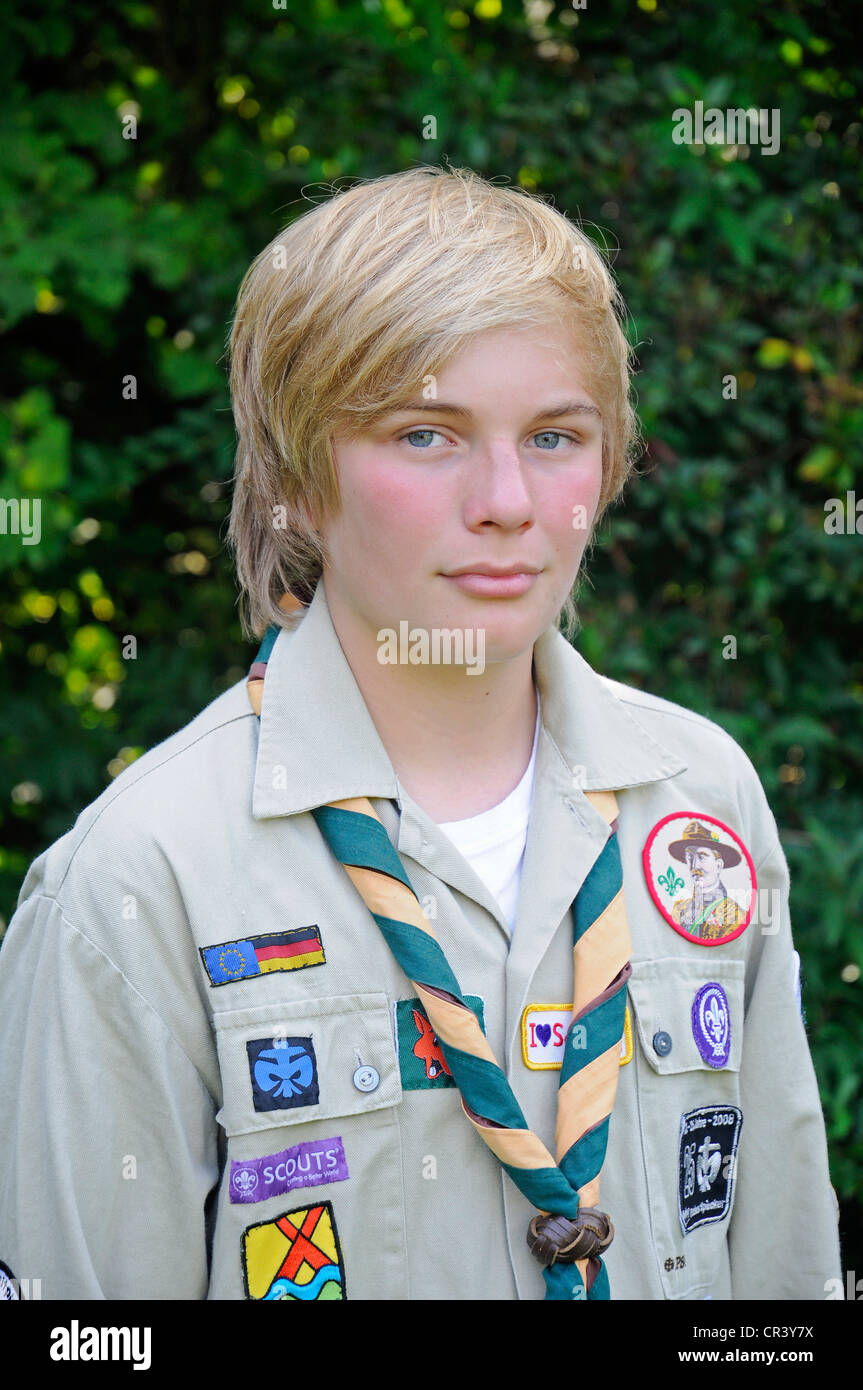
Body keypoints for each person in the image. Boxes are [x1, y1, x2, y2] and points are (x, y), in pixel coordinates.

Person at [0, 166, 841, 1301]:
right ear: (296, 479)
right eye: (425, 435)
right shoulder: (139, 879)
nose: (506, 498)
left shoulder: (701, 800)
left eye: (554, 437)